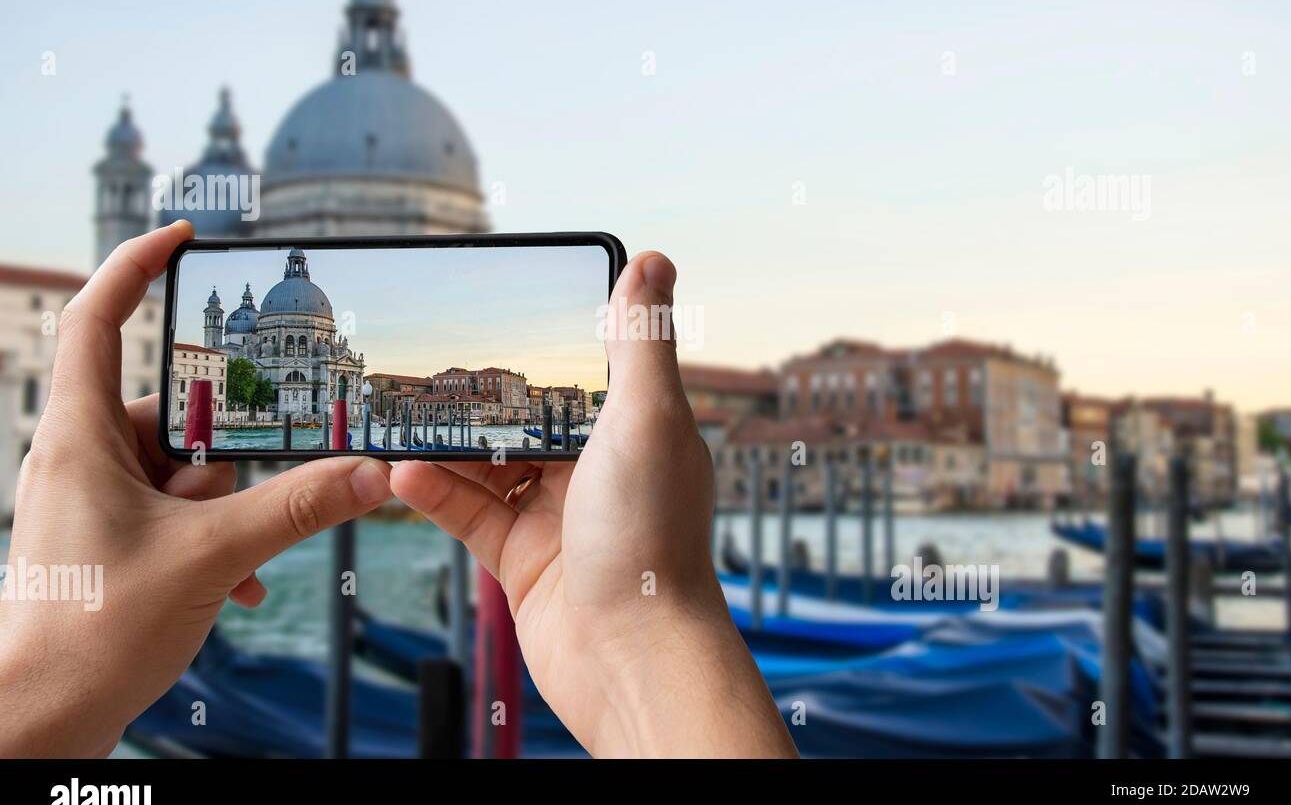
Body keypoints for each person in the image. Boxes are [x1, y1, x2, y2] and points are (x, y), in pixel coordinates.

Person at [0, 222, 796, 758]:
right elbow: (272, 363)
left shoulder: (291, 321)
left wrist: (45, 693)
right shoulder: (276, 330)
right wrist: (647, 628)